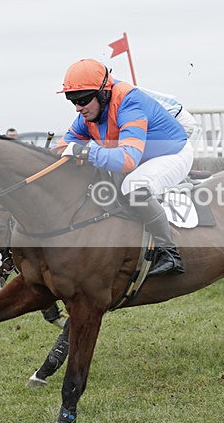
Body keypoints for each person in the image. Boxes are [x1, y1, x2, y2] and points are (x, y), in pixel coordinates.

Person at [56, 58, 191, 276]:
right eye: (72, 101)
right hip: (142, 158)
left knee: (134, 187)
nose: (78, 108)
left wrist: (86, 152)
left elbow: (128, 160)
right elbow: (61, 147)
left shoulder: (129, 104)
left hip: (173, 153)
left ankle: (169, 253)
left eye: (82, 100)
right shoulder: (88, 115)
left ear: (103, 93)